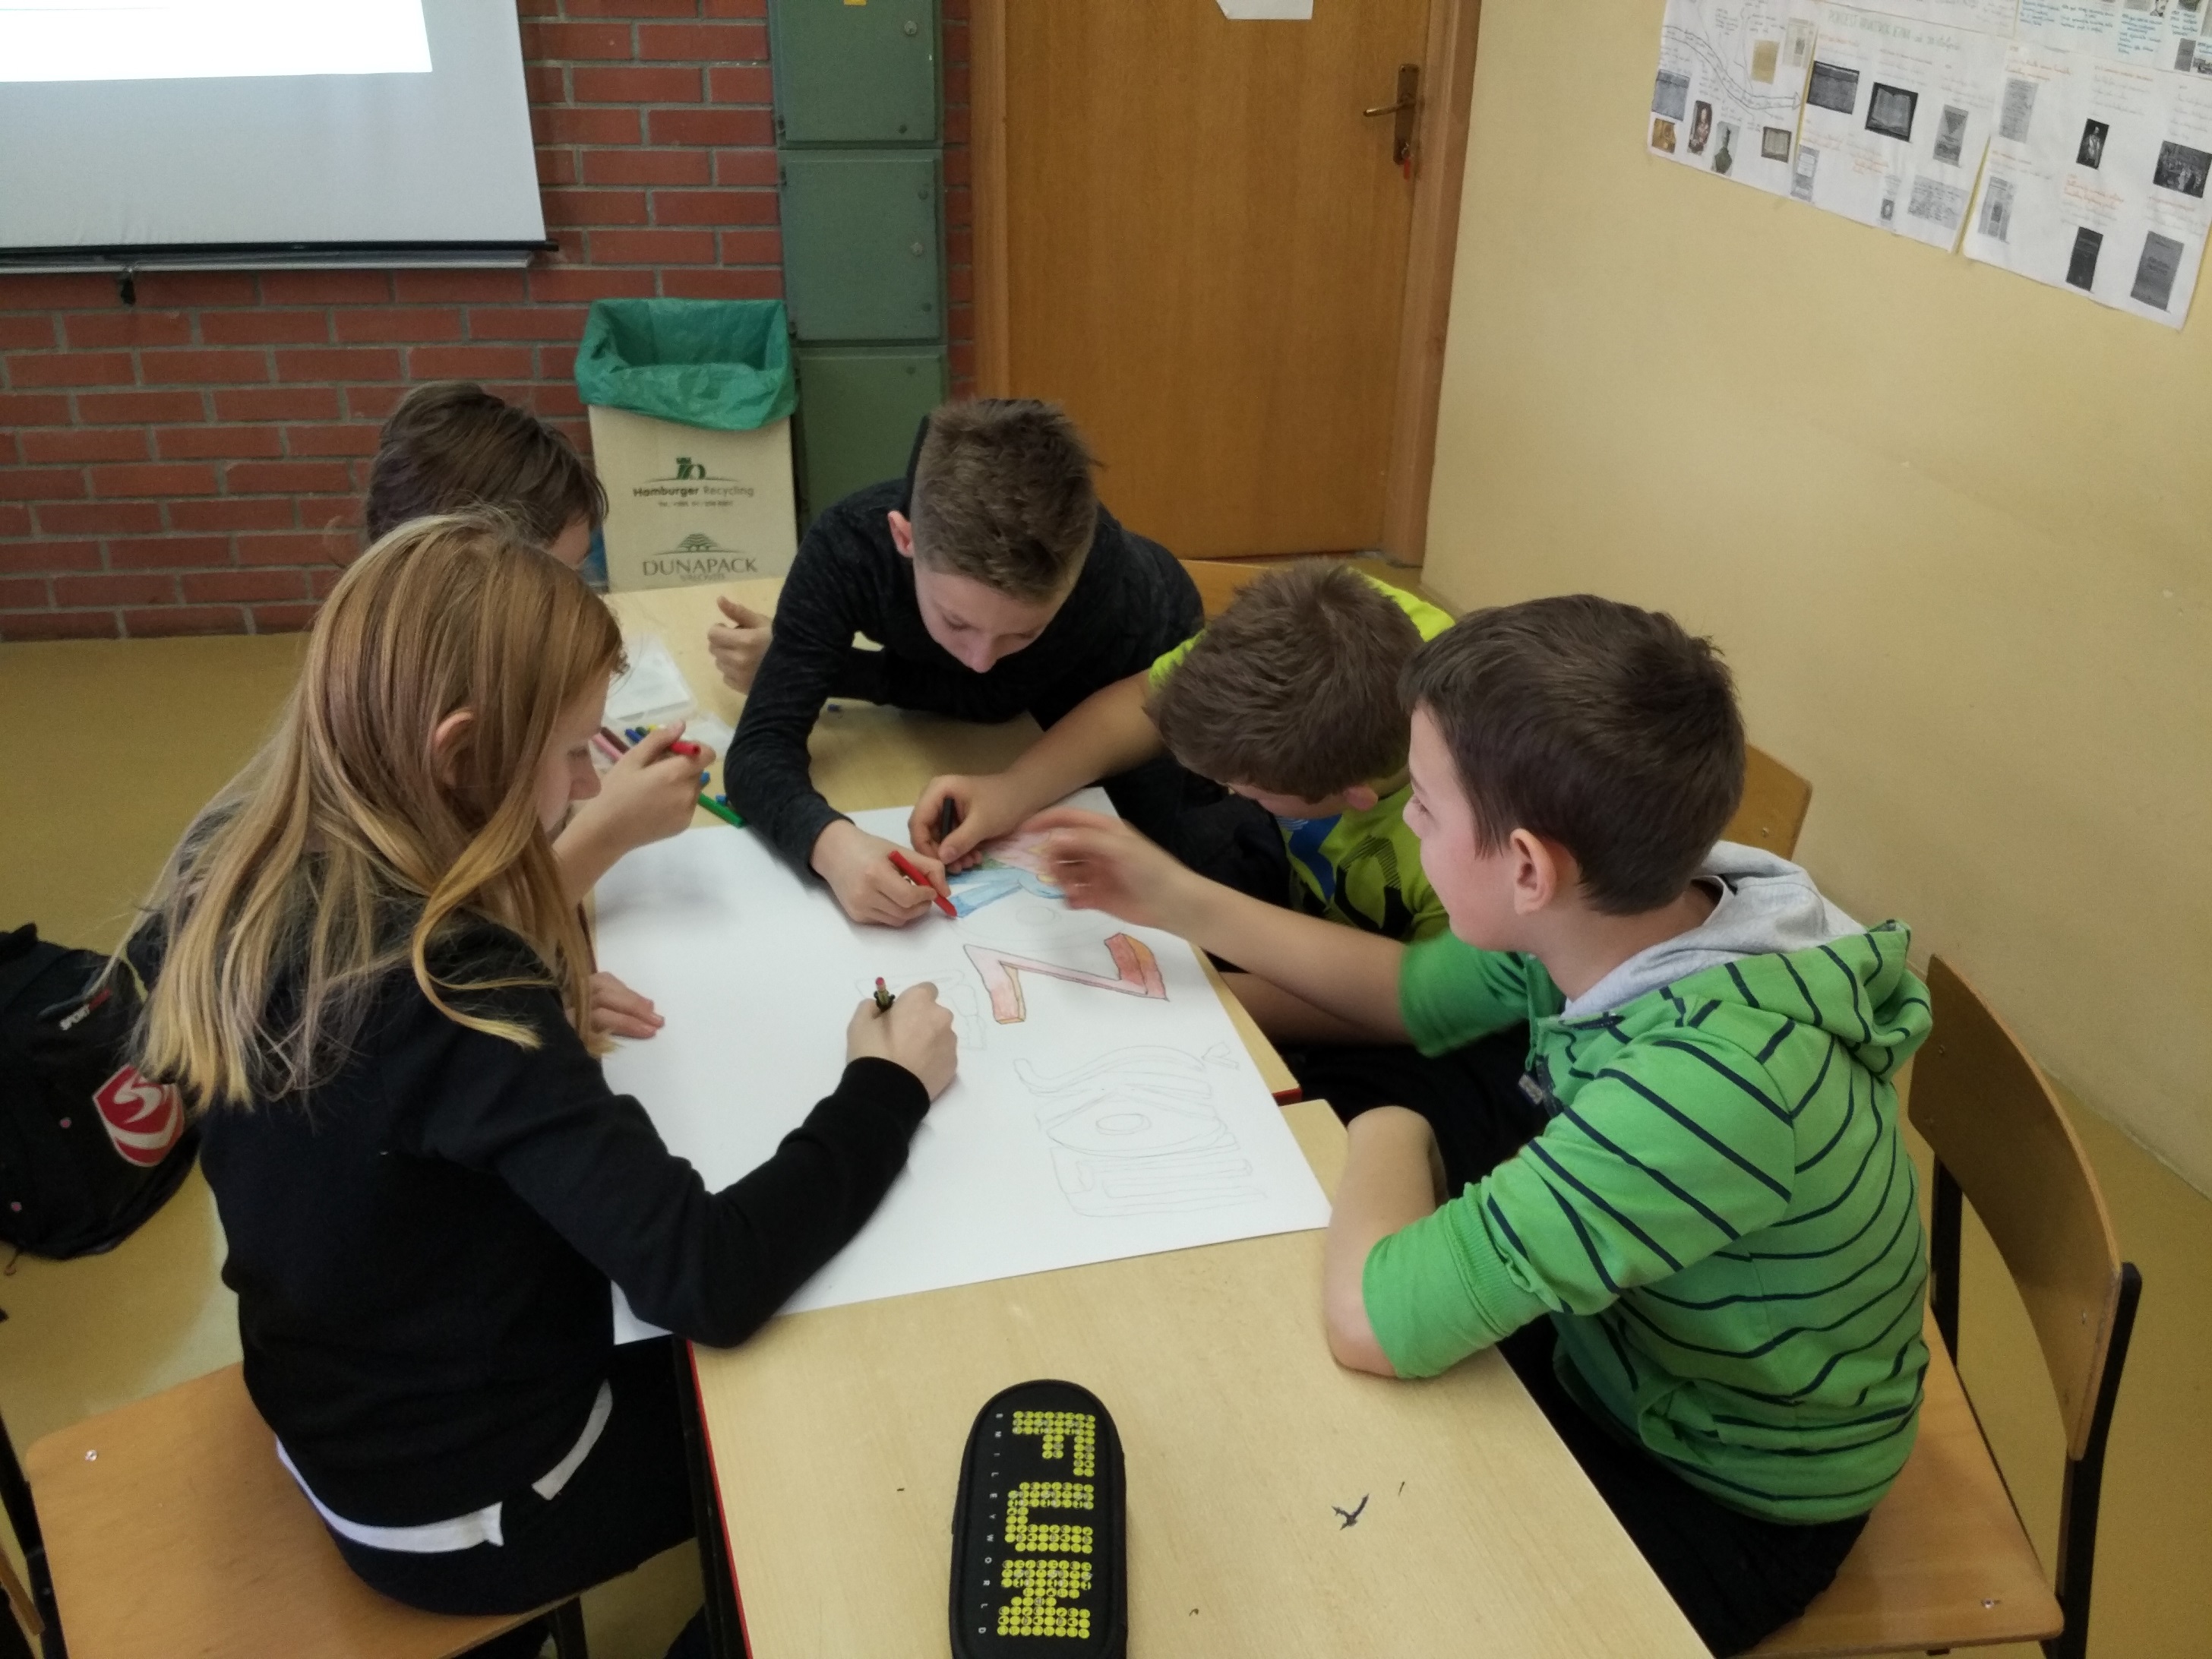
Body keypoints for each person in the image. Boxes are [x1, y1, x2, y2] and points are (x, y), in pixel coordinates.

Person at [1029, 595, 1930, 1656]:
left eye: (1423, 807)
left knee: (1352, 1555)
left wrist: (1392, 1126)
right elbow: (1409, 994)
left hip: (1723, 1487)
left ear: (1527, 868)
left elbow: (1372, 1322)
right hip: (1637, 1347)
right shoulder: (1636, 906)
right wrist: (1171, 900)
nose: (1405, 823)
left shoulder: (1707, 1092)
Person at [122, 514, 956, 1654]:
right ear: (459, 753)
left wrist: (534, 1029)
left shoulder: (235, 856)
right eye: (570, 753)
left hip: (337, 1403)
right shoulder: (457, 988)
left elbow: (371, 1102)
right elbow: (704, 1276)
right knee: (835, 1410)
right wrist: (884, 1089)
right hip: (469, 1505)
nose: (584, 786)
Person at [907, 561, 1455, 1037]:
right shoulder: (1331, 619)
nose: (1225, 789)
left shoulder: (1470, 840)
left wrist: (1170, 989)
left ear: (1354, 795)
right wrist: (1013, 790)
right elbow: (1147, 698)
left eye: (1250, 788)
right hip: (1298, 886)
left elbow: (1431, 1011)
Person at [719, 399, 1205, 927]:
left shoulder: (1102, 575)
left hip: (1138, 664)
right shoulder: (847, 546)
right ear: (904, 538)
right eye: (957, 622)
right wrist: (832, 845)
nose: (980, 659)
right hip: (1025, 709)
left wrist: (833, 668)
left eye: (1024, 632)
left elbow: (992, 698)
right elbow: (758, 750)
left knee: (1144, 886)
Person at [362, 380, 708, 1012]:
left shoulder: (399, 678)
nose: (576, 607)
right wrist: (604, 835)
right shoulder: (387, 782)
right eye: (558, 582)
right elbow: (432, 971)